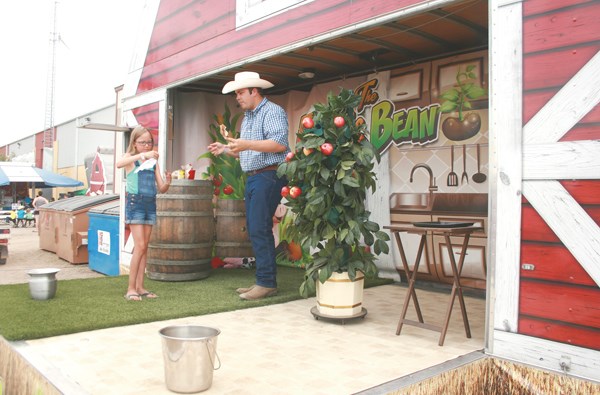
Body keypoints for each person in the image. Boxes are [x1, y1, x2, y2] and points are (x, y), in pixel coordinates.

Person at [208, 71, 290, 300]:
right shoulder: (248, 118)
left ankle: (266, 283)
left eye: (241, 92)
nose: (238, 97)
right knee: (256, 228)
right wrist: (225, 149)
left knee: (259, 227)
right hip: (256, 176)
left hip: (270, 175)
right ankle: (263, 281)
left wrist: (245, 144)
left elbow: (279, 144)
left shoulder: (273, 111)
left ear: (255, 90)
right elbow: (246, 153)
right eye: (236, 93)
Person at [116, 126, 171, 301]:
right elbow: (119, 164)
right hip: (135, 203)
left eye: (149, 142)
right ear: (134, 143)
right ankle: (131, 288)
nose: (147, 145)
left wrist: (169, 181)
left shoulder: (153, 162)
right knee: (139, 246)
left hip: (150, 203)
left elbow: (161, 188)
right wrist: (142, 155)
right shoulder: (131, 159)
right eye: (143, 142)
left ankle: (140, 287)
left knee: (144, 247)